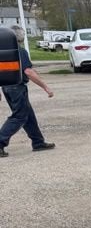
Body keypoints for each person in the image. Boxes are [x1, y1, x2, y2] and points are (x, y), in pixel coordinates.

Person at [0, 24, 55, 158]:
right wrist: (45, 87)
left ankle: (38, 142)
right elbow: (28, 72)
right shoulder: (20, 52)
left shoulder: (3, 53)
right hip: (17, 88)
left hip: (7, 87)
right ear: (19, 37)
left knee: (28, 115)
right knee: (19, 116)